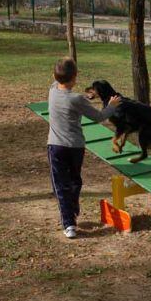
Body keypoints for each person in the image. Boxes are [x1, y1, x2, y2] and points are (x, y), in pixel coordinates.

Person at [47, 57, 120, 239]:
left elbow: (60, 82)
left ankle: (69, 219)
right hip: (75, 148)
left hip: (56, 147)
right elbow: (99, 116)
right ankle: (70, 215)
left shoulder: (52, 91)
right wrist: (111, 106)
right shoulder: (77, 99)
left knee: (61, 184)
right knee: (74, 180)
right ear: (75, 77)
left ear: (54, 76)